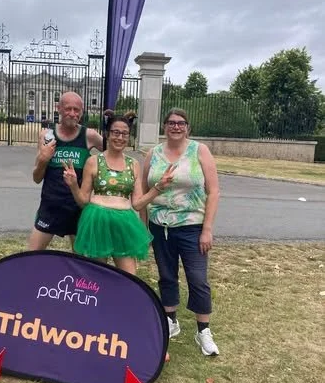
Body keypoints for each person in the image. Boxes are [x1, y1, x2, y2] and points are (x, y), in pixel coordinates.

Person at [142, 108, 221, 356]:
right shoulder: (152, 154)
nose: (176, 127)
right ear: (164, 126)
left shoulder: (199, 151)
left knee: (198, 279)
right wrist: (144, 226)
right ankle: (171, 321)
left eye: (181, 123)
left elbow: (214, 191)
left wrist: (207, 229)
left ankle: (203, 330)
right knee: (166, 276)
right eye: (171, 123)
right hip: (160, 225)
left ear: (188, 127)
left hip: (192, 226)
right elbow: (144, 192)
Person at [62, 112, 174, 275]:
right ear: (107, 133)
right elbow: (83, 201)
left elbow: (137, 203)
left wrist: (159, 187)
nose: (120, 137)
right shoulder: (93, 161)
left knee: (129, 277)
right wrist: (73, 185)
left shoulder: (133, 164)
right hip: (97, 221)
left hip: (124, 223)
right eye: (115, 132)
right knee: (96, 276)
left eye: (124, 134)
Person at [28, 91, 103, 250]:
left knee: (82, 263)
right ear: (59, 109)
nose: (73, 114)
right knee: (32, 258)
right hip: (50, 207)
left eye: (77, 110)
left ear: (82, 112)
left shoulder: (89, 136)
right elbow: (36, 178)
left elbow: (112, 154)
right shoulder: (47, 136)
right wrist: (43, 159)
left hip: (78, 209)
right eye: (68, 109)